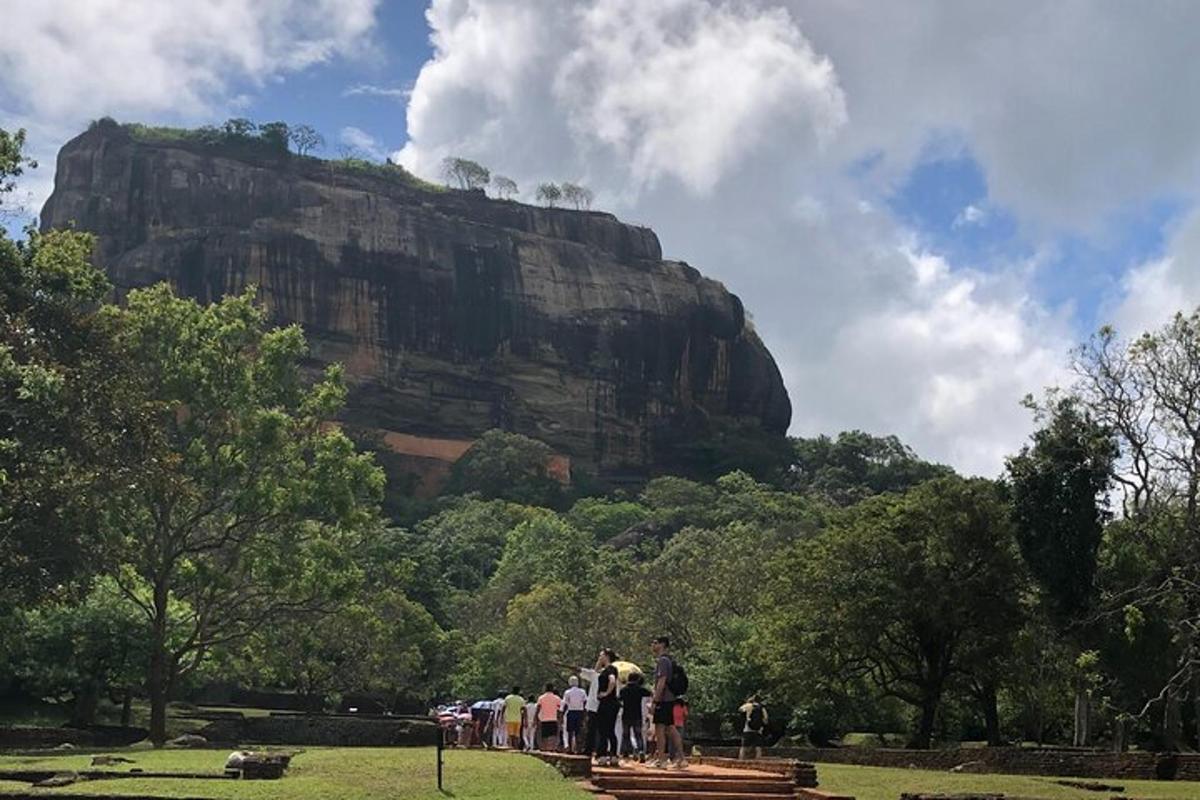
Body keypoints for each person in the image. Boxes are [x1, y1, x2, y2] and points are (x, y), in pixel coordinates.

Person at [649, 636, 687, 769]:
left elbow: (661, 682)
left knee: (660, 728)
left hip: (664, 700)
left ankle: (662, 760)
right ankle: (681, 758)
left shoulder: (663, 661)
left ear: (662, 644)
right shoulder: (668, 660)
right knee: (671, 728)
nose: (652, 645)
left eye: (655, 642)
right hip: (669, 699)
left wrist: (655, 700)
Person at [594, 649, 621, 766]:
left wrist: (606, 693)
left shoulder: (611, 669)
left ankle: (604, 755)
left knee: (605, 729)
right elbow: (595, 672)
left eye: (601, 655)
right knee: (608, 729)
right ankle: (612, 755)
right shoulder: (604, 670)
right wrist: (599, 662)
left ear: (607, 656)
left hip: (608, 703)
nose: (600, 657)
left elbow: (612, 680)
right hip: (609, 703)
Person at [619, 671, 651, 761]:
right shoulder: (639, 689)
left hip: (626, 715)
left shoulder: (624, 689)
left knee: (626, 734)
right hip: (637, 715)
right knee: (638, 734)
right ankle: (641, 751)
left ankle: (626, 752)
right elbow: (649, 693)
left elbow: (619, 699)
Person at [562, 675, 588, 754]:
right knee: (578, 731)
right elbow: (585, 702)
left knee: (570, 731)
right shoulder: (582, 691)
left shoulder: (567, 692)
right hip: (579, 712)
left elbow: (565, 704)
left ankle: (570, 749)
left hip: (571, 712)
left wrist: (562, 713)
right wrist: (585, 713)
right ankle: (578, 749)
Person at [738, 694, 768, 760]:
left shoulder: (748, 705)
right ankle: (758, 762)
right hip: (758, 730)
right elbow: (765, 720)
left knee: (744, 747)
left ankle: (741, 761)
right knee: (758, 747)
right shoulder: (762, 708)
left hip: (747, 729)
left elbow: (740, 710)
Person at [536, 683, 562, 752]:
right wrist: (560, 719)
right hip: (553, 719)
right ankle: (552, 749)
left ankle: (545, 749)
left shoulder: (541, 698)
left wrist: (536, 719)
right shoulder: (557, 698)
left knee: (544, 736)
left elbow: (538, 709)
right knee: (553, 735)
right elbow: (559, 710)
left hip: (544, 719)